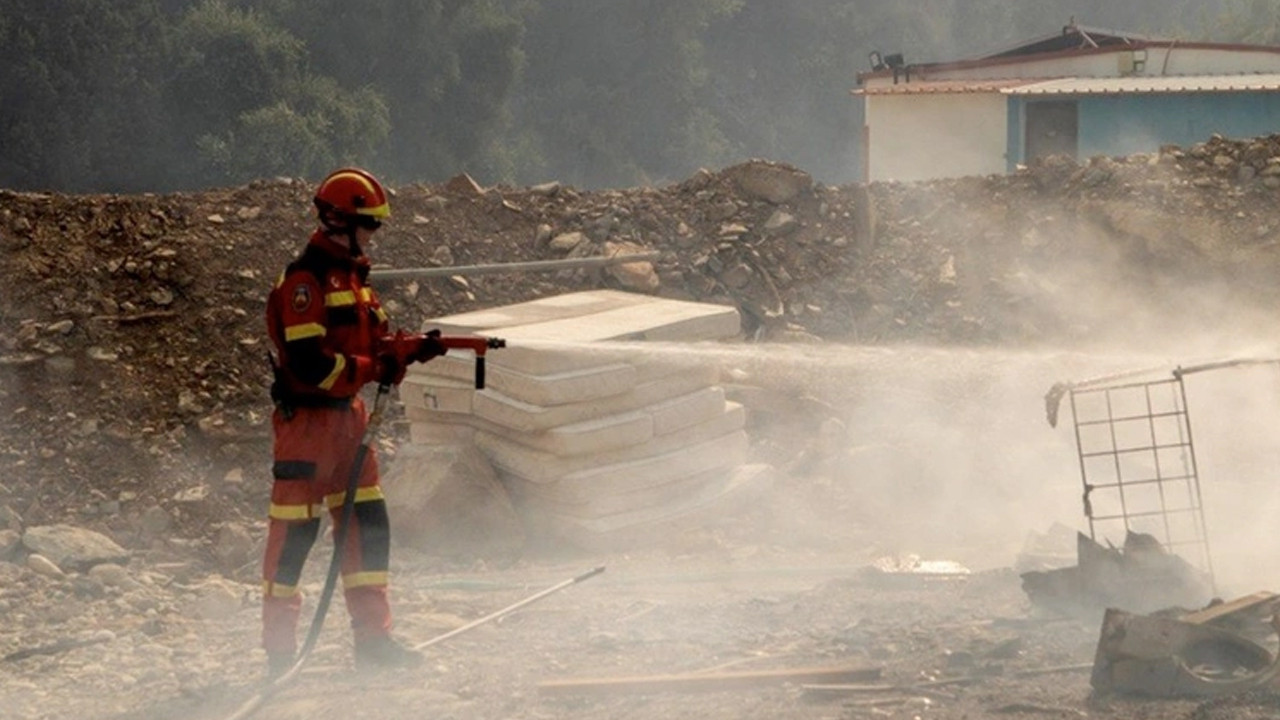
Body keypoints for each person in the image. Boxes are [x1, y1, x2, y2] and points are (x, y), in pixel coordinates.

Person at [261, 167, 445, 677]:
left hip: (350, 423)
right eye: (371, 224)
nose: (375, 234)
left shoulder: (355, 281)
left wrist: (409, 351)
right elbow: (310, 365)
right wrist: (372, 369)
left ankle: (374, 643)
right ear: (342, 220)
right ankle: (279, 654)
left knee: (368, 528)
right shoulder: (305, 281)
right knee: (293, 540)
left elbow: (372, 345)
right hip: (307, 427)